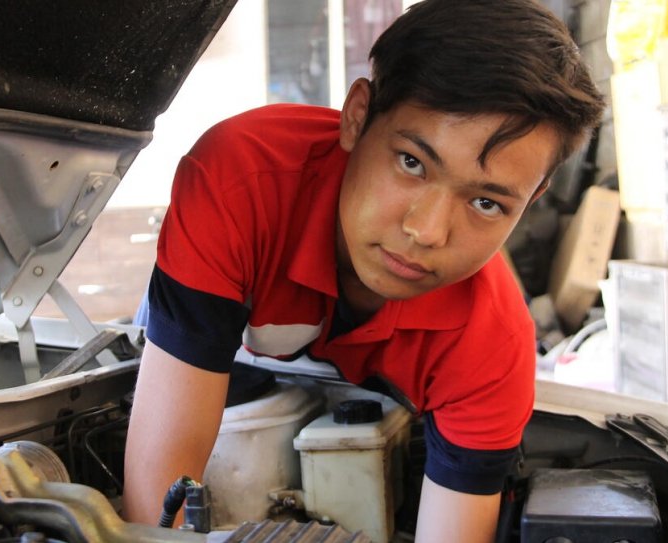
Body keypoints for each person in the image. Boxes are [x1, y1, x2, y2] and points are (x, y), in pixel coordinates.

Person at [123, 0, 604, 540]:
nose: (427, 232)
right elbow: (153, 519)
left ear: (533, 198)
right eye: (412, 163)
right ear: (357, 116)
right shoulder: (242, 182)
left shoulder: (490, 341)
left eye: (487, 203)